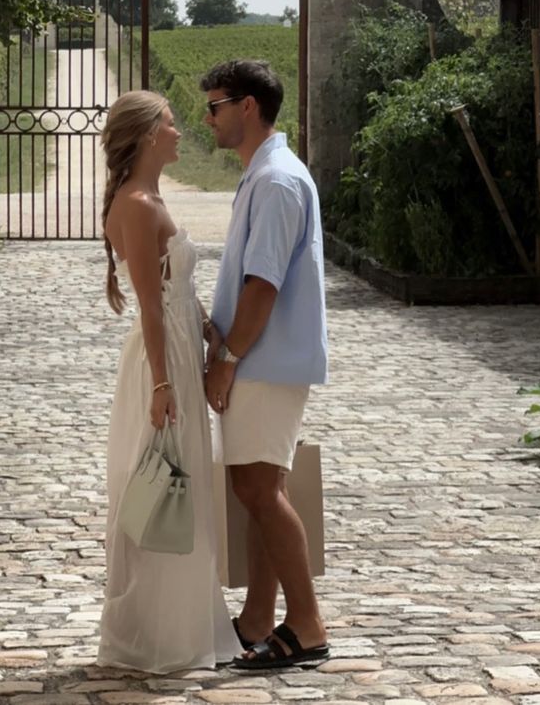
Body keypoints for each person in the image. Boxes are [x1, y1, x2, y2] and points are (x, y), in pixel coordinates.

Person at [96, 89, 241, 674]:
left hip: (181, 348)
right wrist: (162, 386)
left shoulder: (153, 196)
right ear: (151, 133)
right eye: (174, 124)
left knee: (184, 486)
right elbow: (150, 308)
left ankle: (184, 624)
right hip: (161, 361)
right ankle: (153, 635)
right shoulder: (135, 202)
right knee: (162, 485)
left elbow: (174, 292)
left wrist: (206, 327)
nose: (183, 132)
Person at [201, 59, 330, 670]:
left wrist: (226, 357)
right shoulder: (265, 174)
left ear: (247, 107)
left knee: (257, 488)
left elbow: (264, 286)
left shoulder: (277, 181)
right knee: (259, 489)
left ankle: (306, 623)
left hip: (264, 361)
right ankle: (257, 618)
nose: (209, 117)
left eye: (215, 105)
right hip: (262, 357)